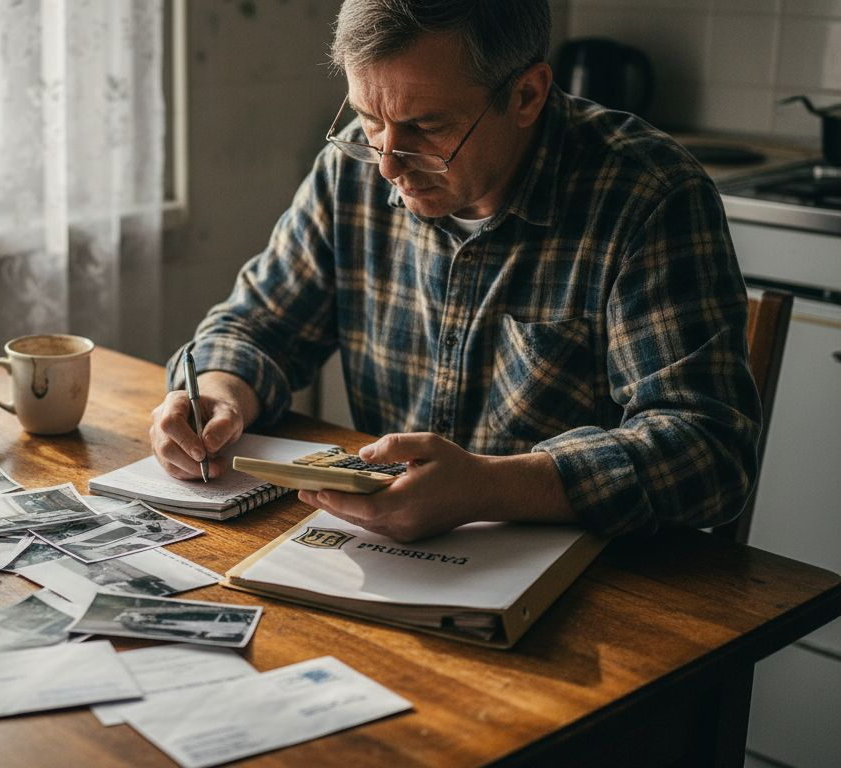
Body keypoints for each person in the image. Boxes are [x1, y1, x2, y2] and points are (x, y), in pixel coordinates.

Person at [149, 0, 760, 542]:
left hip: (596, 594)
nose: (387, 163)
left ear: (527, 95)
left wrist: (490, 487)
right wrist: (214, 395)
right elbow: (257, 327)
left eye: (426, 127)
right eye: (368, 118)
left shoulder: (646, 195)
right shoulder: (351, 173)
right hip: (386, 559)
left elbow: (710, 450)